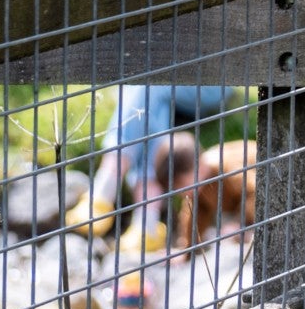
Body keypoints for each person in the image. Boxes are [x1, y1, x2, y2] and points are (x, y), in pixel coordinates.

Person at [63, 84, 237, 253]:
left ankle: (104, 190)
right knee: (152, 99)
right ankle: (147, 223)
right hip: (167, 80)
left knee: (148, 84)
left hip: (212, 82)